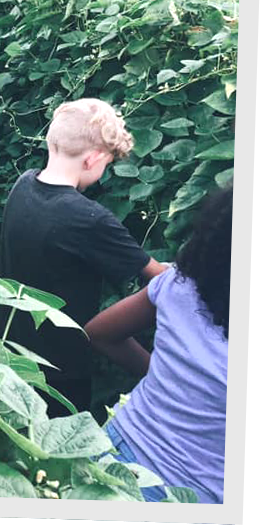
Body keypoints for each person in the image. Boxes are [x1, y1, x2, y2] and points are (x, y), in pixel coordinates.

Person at [0, 98, 167, 416]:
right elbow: (160, 278)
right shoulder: (88, 218)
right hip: (62, 366)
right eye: (107, 163)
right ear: (93, 160)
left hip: (14, 346)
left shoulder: (23, 186)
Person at [85, 185, 231, 504]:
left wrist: (167, 377)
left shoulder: (182, 283)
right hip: (192, 497)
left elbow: (99, 332)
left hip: (114, 452)